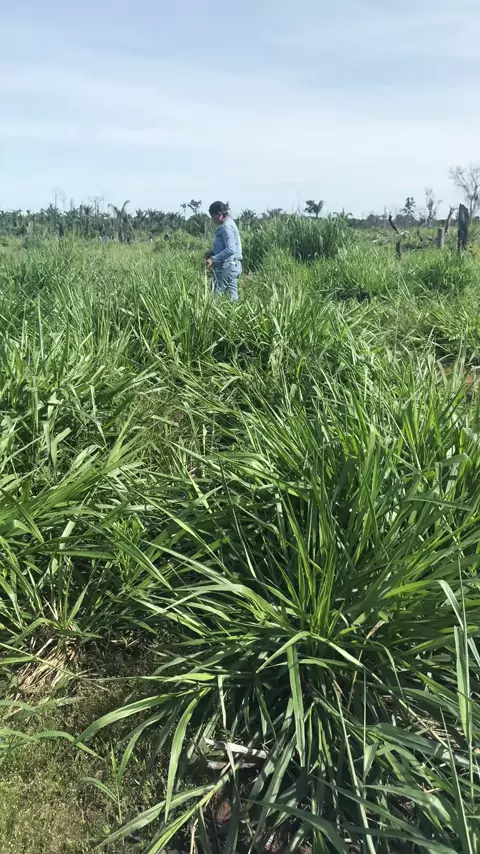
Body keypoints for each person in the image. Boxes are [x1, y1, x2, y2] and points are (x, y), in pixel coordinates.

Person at [205, 201, 242, 301]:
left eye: (213, 217)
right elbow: (227, 246)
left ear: (220, 214)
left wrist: (213, 259)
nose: (212, 220)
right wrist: (212, 252)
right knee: (232, 297)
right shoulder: (230, 223)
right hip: (234, 266)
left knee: (213, 295)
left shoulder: (226, 227)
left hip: (227, 266)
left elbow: (230, 249)